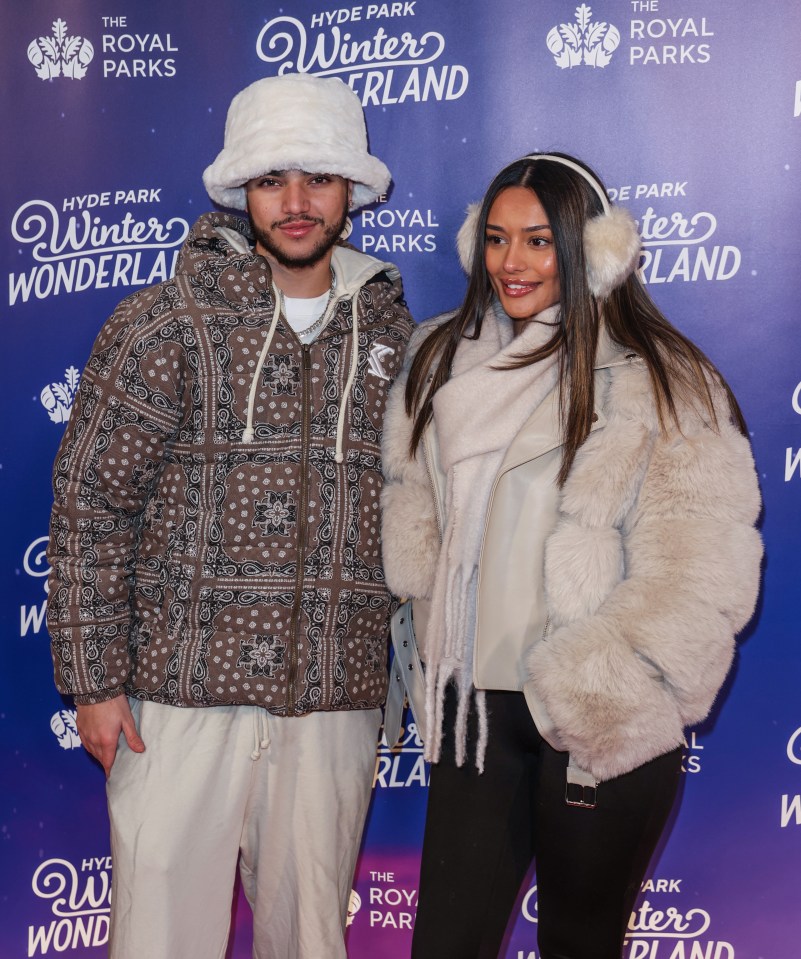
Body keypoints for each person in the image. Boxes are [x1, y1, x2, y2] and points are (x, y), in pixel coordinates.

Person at [46, 72, 413, 959]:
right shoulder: (160, 324)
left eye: (317, 178)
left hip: (330, 697)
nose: (294, 203)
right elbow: (90, 506)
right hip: (175, 698)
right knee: (159, 938)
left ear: (353, 191)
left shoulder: (401, 343)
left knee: (310, 938)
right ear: (241, 190)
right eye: (270, 180)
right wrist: (94, 681)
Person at [380, 152, 762, 959]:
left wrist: (603, 683)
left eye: (537, 241)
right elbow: (418, 526)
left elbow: (700, 569)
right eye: (493, 239)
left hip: (591, 721)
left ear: (591, 250)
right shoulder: (441, 361)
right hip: (472, 716)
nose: (510, 263)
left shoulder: (664, 381)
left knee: (580, 947)